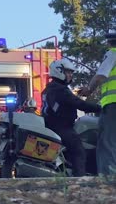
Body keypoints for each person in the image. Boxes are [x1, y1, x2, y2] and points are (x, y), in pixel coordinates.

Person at [41, 58, 101, 177]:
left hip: (52, 125)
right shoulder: (60, 89)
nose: (70, 75)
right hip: (61, 127)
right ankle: (79, 180)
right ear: (59, 71)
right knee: (79, 151)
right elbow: (79, 104)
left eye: (71, 72)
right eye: (68, 72)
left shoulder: (49, 88)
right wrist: (99, 108)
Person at [79, 33, 116, 176]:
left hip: (113, 104)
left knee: (107, 142)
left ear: (110, 43)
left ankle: (108, 176)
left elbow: (101, 75)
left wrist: (89, 89)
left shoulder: (112, 54)